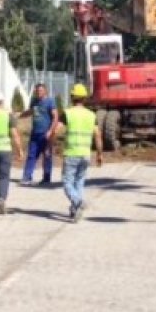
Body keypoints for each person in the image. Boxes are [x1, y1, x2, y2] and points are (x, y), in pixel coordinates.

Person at [57, 83, 102, 222]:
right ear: (84, 98)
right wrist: (100, 154)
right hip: (85, 154)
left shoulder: (67, 113)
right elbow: (98, 135)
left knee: (67, 183)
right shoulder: (91, 115)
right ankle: (76, 211)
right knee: (79, 183)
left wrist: (50, 143)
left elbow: (57, 130)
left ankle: (78, 202)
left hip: (71, 153)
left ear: (72, 97)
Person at [20, 83, 59, 186]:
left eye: (41, 91)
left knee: (47, 156)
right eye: (37, 91)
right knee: (31, 155)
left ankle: (46, 178)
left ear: (45, 91)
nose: (39, 92)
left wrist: (51, 131)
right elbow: (31, 111)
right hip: (35, 134)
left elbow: (55, 117)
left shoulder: (50, 101)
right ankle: (27, 177)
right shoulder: (34, 101)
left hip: (46, 134)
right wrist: (20, 115)